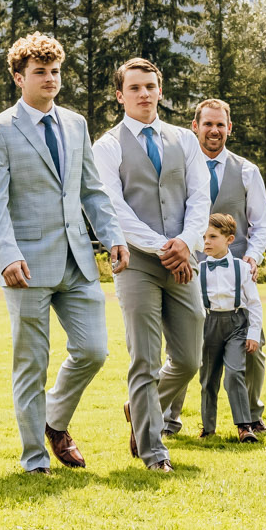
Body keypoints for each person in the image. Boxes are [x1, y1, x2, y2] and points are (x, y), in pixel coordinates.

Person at [0, 33, 129, 474]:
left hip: (78, 261)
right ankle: (34, 458)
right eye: (40, 72)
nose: (50, 79)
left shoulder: (77, 125)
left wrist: (112, 236)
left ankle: (53, 422)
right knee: (31, 365)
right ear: (18, 77)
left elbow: (92, 191)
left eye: (55, 71)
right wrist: (6, 255)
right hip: (25, 265)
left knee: (94, 351)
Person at [92, 58, 210, 472]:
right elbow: (112, 208)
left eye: (151, 86)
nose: (144, 94)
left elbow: (200, 198)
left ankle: (139, 407)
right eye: (135, 87)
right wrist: (166, 247)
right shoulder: (106, 146)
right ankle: (153, 451)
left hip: (183, 260)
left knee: (190, 359)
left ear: (161, 90)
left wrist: (187, 243)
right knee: (144, 357)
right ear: (120, 95)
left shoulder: (184, 139)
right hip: (136, 263)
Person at [178, 97, 266, 435]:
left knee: (254, 345)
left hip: (237, 274)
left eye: (220, 124)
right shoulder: (182, 169)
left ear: (229, 128)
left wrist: (253, 256)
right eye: (208, 124)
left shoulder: (247, 171)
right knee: (186, 347)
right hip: (189, 271)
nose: (214, 130)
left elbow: (262, 224)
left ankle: (252, 412)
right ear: (195, 127)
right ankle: (171, 417)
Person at [193, 212, 264, 442]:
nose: (206, 242)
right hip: (209, 325)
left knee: (234, 373)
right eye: (204, 237)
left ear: (229, 240)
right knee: (208, 379)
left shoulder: (242, 269)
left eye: (213, 237)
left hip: (236, 325)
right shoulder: (198, 269)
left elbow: (254, 303)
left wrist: (253, 334)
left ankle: (244, 426)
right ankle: (208, 427)